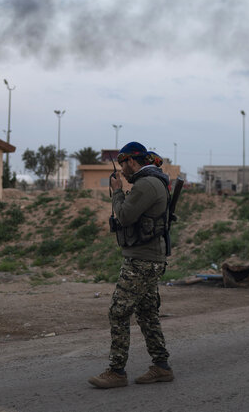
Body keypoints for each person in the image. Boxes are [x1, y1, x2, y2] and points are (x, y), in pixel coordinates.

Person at [88, 141, 174, 389]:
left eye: (123, 165)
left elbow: (124, 216)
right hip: (148, 258)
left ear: (132, 162)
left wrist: (116, 191)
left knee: (118, 311)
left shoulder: (146, 184)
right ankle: (162, 366)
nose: (122, 172)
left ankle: (116, 371)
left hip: (142, 260)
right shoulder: (152, 182)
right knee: (147, 314)